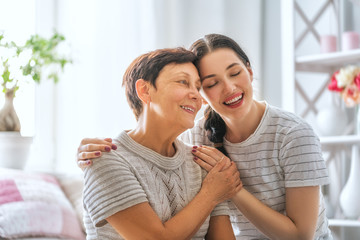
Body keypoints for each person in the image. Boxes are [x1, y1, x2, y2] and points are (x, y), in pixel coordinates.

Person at [77, 34, 332, 239]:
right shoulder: (199, 140)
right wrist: (213, 192)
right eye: (208, 84)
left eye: (234, 73)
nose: (228, 88)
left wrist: (226, 189)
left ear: (250, 71)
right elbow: (144, 148)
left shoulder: (291, 134)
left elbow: (301, 235)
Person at [81, 47, 242, 240]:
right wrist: (210, 194)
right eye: (183, 82)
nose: (197, 96)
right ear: (145, 90)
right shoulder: (105, 159)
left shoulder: (202, 162)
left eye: (197, 87)